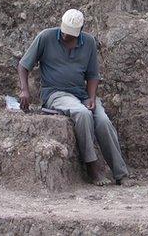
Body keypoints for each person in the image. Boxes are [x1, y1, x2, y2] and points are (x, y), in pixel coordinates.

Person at [17, 9, 131, 186]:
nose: (65, 36)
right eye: (63, 32)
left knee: (103, 121)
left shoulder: (89, 43)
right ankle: (91, 167)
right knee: (82, 113)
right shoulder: (46, 37)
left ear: (80, 32)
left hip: (81, 94)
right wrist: (24, 90)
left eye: (70, 35)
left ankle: (120, 173)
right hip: (56, 93)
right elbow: (24, 65)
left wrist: (91, 98)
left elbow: (93, 75)